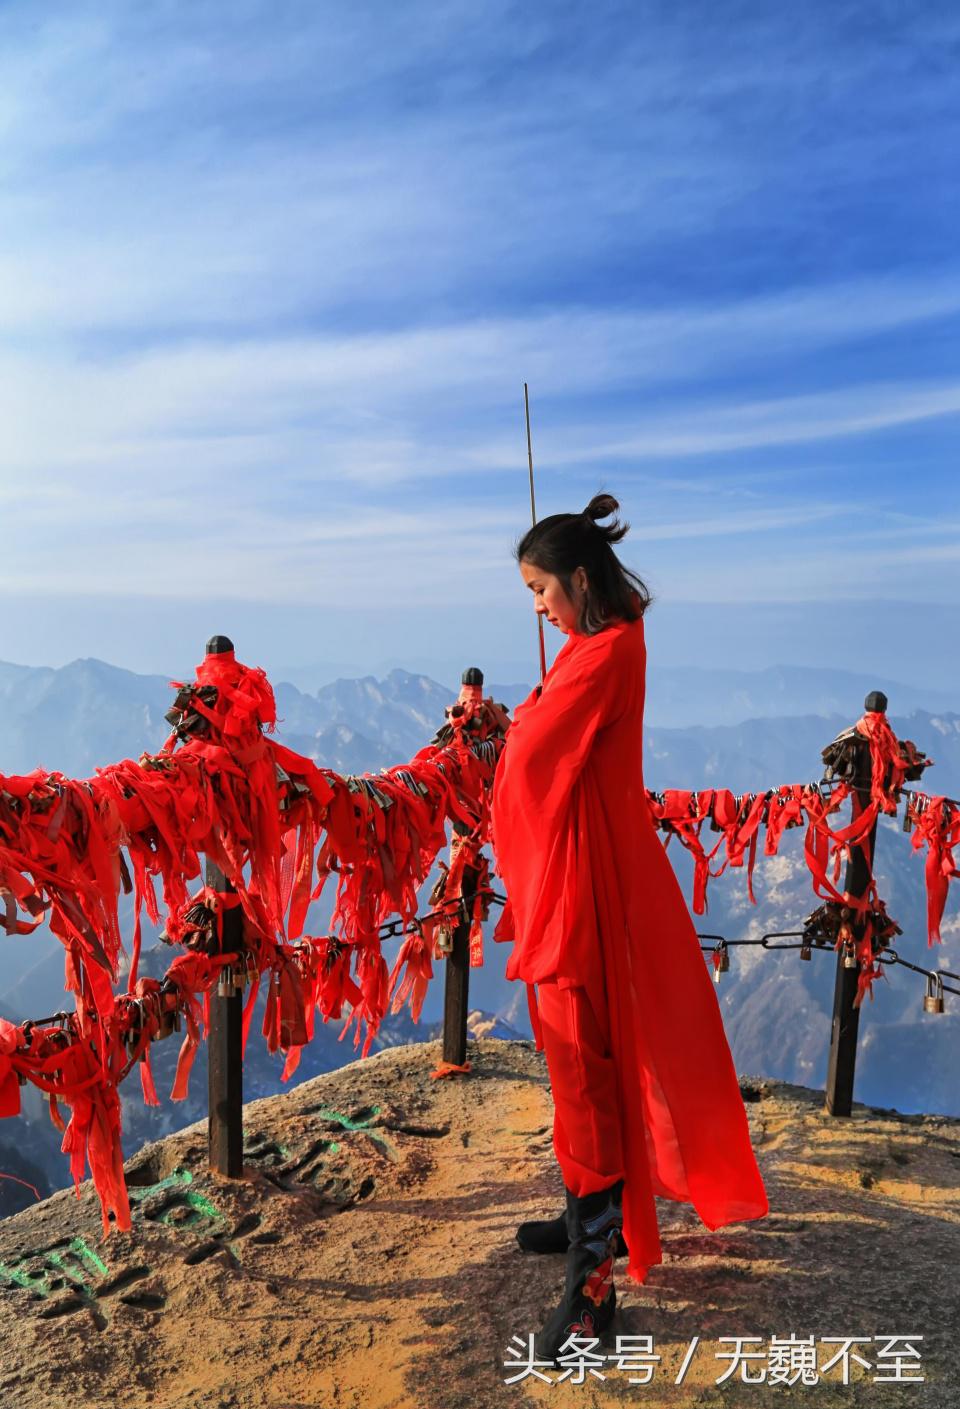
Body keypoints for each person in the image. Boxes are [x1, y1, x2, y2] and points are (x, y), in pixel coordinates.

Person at [489, 492, 769, 1365]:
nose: (536, 606)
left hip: (587, 885)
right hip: (599, 868)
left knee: (586, 1060)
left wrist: (524, 720)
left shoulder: (601, 656)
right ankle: (586, 1219)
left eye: (539, 589)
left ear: (577, 579)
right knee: (583, 1057)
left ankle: (590, 1292)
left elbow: (530, 758)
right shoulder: (610, 643)